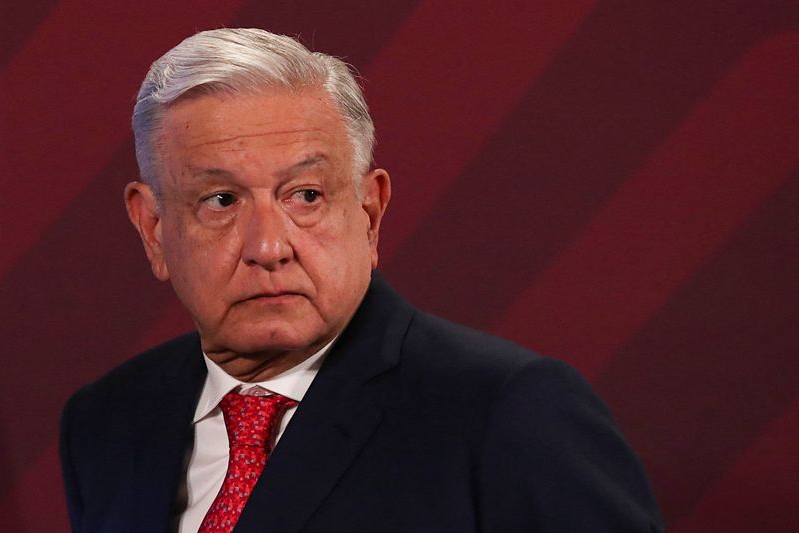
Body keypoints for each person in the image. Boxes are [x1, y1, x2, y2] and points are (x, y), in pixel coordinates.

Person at [60, 28, 664, 533]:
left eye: (306, 195)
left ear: (369, 214)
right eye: (220, 200)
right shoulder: (107, 422)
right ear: (152, 228)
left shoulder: (507, 411)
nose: (269, 247)